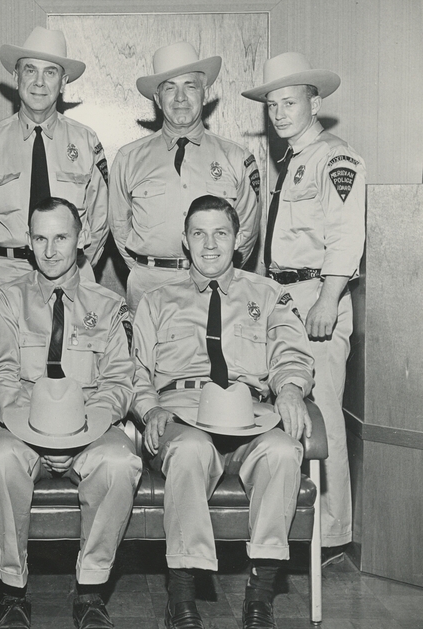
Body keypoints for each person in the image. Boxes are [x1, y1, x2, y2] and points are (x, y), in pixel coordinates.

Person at [131, 195, 314, 629]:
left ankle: (260, 594)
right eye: (198, 233)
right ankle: (182, 594)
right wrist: (149, 408)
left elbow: (291, 352)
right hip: (183, 413)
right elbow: (134, 370)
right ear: (184, 240)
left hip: (251, 413)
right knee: (190, 450)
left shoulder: (267, 295)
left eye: (220, 233)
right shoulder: (156, 300)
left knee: (285, 451)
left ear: (238, 239)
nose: (209, 245)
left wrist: (289, 389)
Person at [0, 197, 142, 629]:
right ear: (28, 242)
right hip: (23, 426)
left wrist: (77, 432)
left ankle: (90, 590)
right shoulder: (7, 300)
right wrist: (43, 433)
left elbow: (119, 382)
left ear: (81, 240)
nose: (51, 251)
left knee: (120, 462)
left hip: (90, 425)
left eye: (61, 237)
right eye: (40, 238)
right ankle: (12, 592)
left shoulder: (107, 305)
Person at [242, 53, 365, 566]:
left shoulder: (335, 158)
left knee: (325, 415)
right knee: (287, 407)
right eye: (272, 106)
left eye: (289, 102)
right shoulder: (291, 160)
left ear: (315, 102)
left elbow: (345, 236)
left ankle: (332, 536)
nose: (280, 113)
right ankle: (293, 525)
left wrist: (330, 299)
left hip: (317, 298)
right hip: (284, 298)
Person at [0, 27, 110, 313]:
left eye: (51, 72)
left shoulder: (86, 141)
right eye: (30, 70)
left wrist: (73, 262)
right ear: (16, 78)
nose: (39, 82)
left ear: (64, 82)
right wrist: (0, 261)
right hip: (6, 276)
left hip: (72, 275)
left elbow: (101, 220)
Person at [109, 42, 260, 312]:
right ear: (156, 98)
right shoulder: (128, 158)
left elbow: (246, 232)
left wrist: (214, 267)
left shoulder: (237, 158)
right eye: (169, 87)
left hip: (214, 286)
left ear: (205, 94)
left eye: (190, 86)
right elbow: (119, 228)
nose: (180, 97)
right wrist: (149, 267)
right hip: (148, 287)